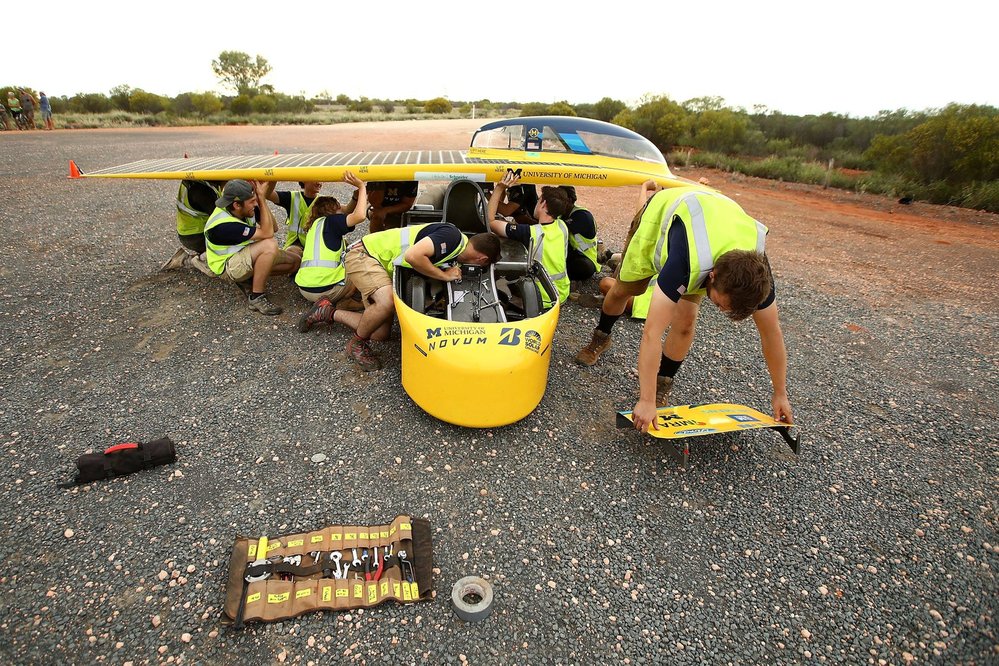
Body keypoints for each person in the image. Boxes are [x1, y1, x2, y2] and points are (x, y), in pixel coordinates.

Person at [576, 180, 792, 432]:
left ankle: (663, 383)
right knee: (622, 291)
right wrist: (643, 401)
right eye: (720, 304)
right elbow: (652, 332)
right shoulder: (686, 260)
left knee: (686, 321)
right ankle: (601, 337)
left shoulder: (757, 275)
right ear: (711, 275)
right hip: (656, 222)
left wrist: (780, 393)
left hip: (710, 228)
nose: (720, 311)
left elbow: (771, 332)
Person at [339, 223, 501, 370]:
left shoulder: (456, 251)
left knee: (379, 333)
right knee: (387, 301)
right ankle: (356, 344)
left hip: (378, 263)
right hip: (363, 254)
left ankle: (328, 312)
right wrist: (444, 276)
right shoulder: (452, 236)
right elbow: (413, 256)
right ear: (482, 259)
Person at [204, 179, 301, 315]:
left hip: (246, 253)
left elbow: (274, 227)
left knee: (296, 262)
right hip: (228, 266)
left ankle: (253, 277)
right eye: (252, 201)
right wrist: (261, 197)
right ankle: (256, 296)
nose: (255, 204)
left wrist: (262, 202)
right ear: (237, 205)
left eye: (255, 200)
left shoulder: (243, 208)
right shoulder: (223, 226)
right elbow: (268, 234)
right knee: (269, 245)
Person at [295, 172, 369, 331]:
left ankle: (339, 303)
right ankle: (354, 300)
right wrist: (362, 187)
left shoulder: (315, 227)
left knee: (349, 251)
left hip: (305, 289)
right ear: (333, 210)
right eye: (339, 208)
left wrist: (356, 196)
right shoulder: (331, 222)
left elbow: (349, 210)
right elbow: (360, 215)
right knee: (360, 260)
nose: (343, 212)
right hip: (326, 288)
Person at [486, 172, 571, 307]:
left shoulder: (531, 232)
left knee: (499, 285)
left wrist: (499, 189)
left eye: (539, 200)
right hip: (561, 291)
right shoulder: (562, 226)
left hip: (543, 297)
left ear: (543, 204)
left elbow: (490, 221)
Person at [161, 180, 224, 276]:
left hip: (190, 232)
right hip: (196, 236)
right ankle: (198, 260)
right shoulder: (200, 190)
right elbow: (224, 220)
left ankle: (189, 258)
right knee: (236, 247)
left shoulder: (194, 179)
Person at [263, 181, 322, 251]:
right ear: (303, 179)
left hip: (316, 247)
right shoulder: (292, 197)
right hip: (294, 244)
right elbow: (268, 195)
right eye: (316, 179)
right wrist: (274, 178)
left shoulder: (326, 202)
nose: (319, 183)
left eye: (321, 180)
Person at [559, 186, 601, 282]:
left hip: (585, 258)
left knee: (581, 266)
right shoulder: (563, 213)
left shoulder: (582, 215)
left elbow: (558, 227)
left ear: (568, 200)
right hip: (571, 254)